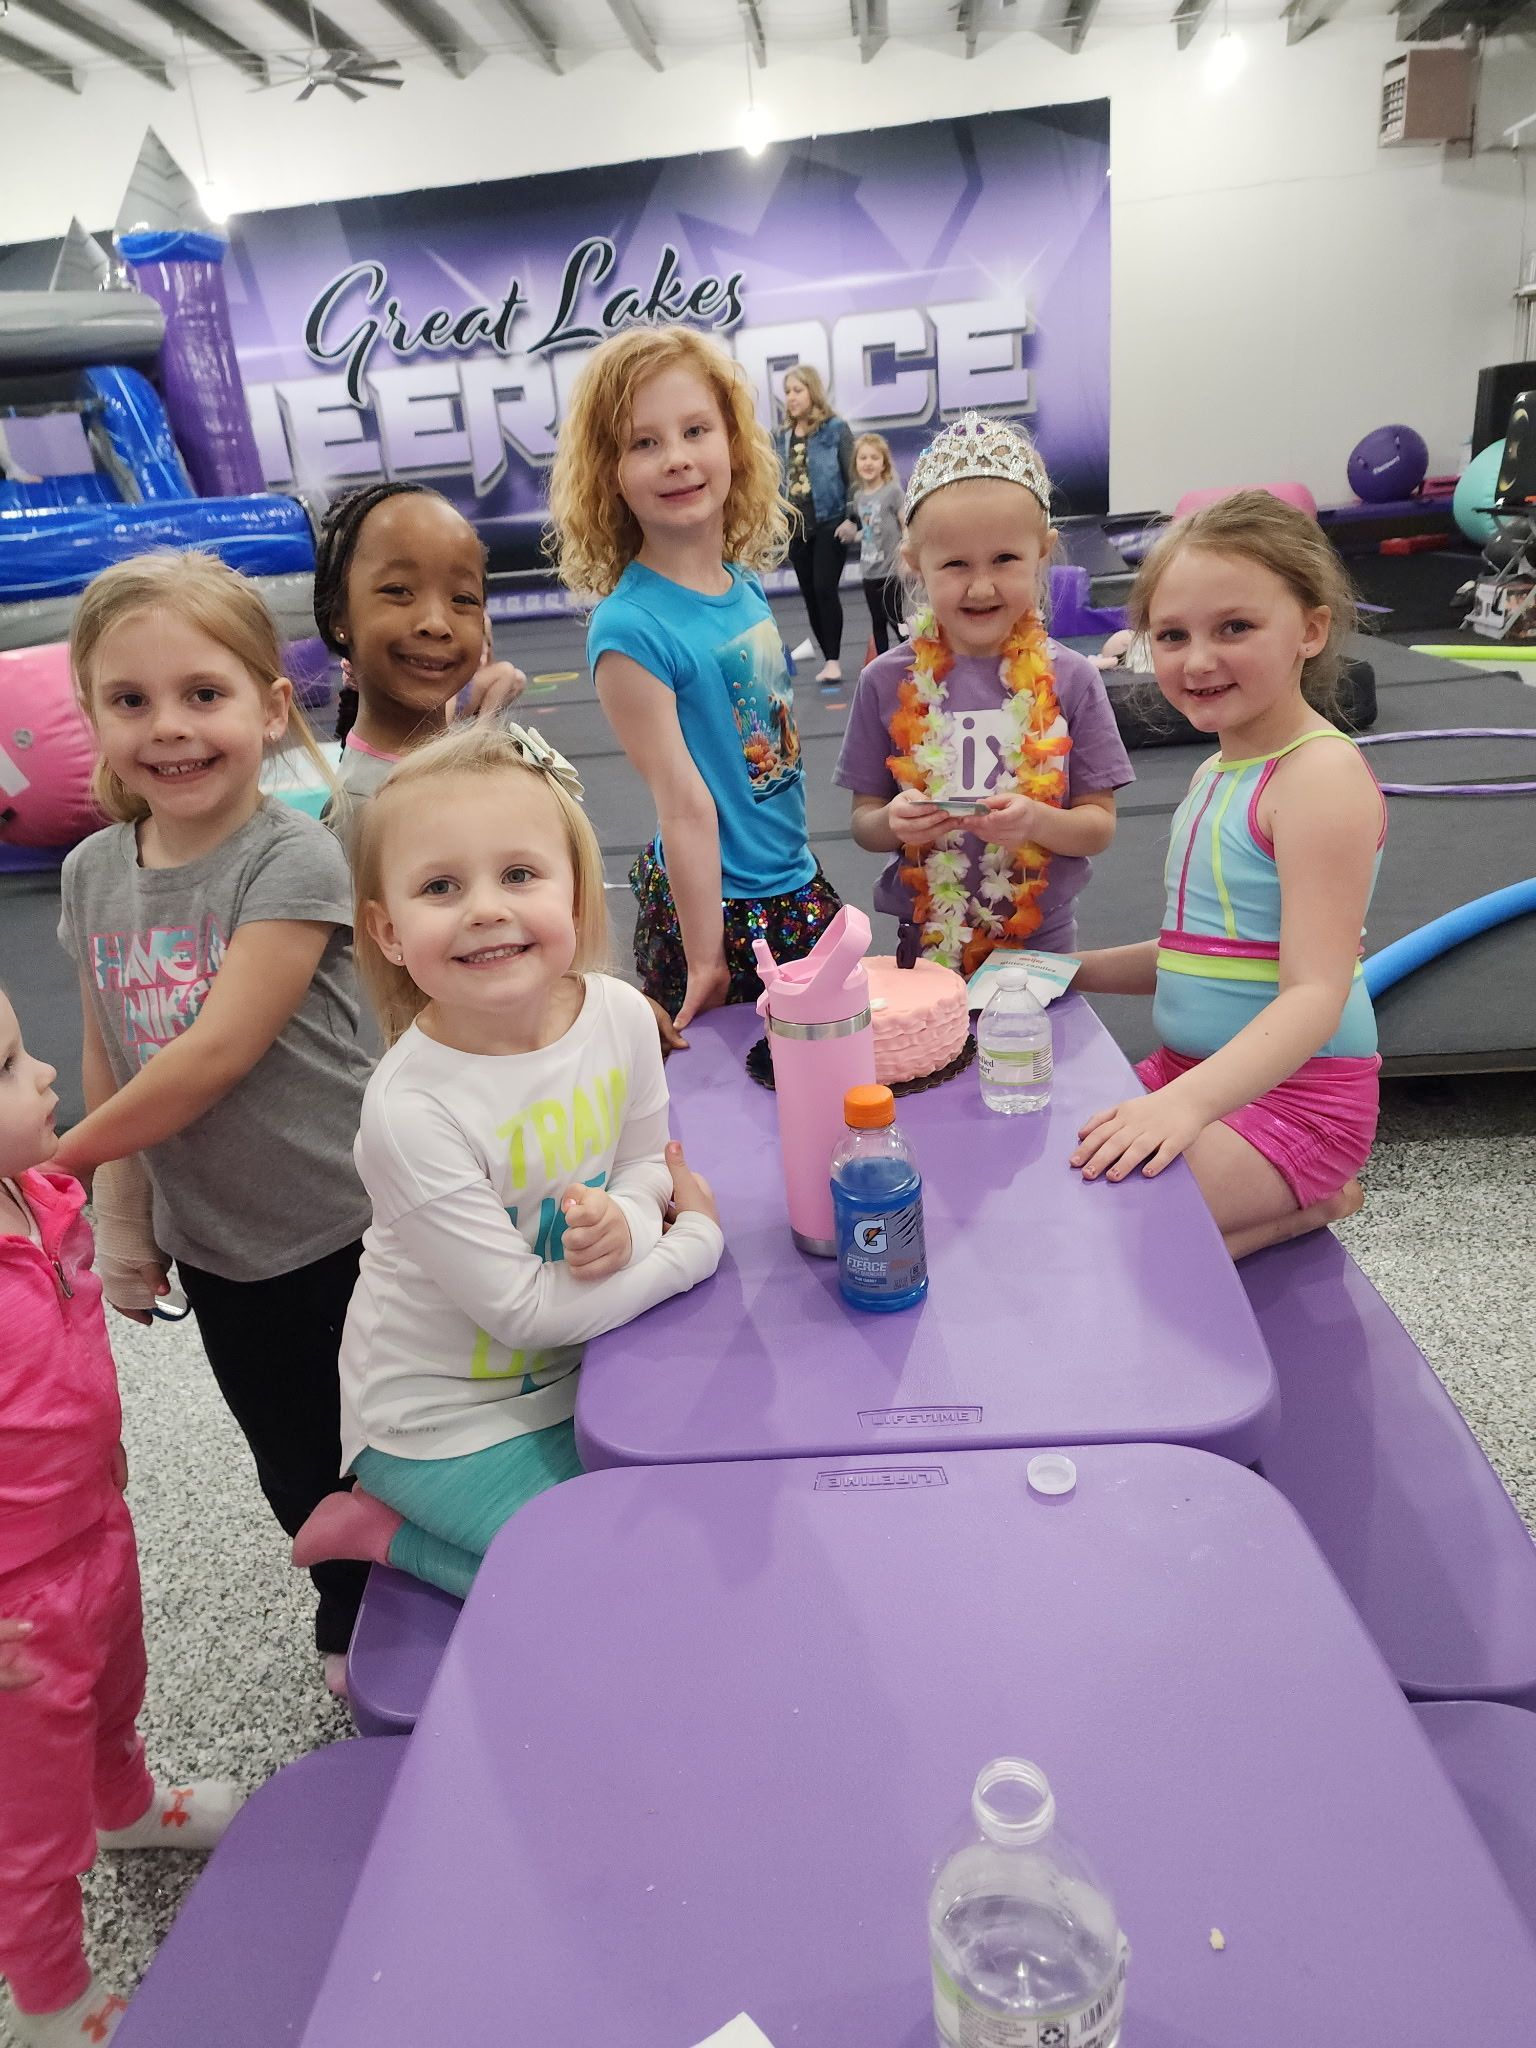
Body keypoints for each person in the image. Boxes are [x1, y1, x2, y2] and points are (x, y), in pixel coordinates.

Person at [290, 723, 723, 1600]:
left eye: (519, 875)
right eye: (441, 886)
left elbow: (644, 1163)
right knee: (604, 1582)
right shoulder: (411, 1109)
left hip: (583, 1366)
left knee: (696, 1519)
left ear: (574, 892)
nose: (485, 907)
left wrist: (628, 1221)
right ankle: (382, 1530)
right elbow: (525, 1310)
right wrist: (688, 1245)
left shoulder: (622, 1018)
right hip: (439, 1421)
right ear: (386, 930)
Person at [51, 551, 374, 1692]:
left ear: (270, 706)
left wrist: (47, 1162)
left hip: (347, 1218)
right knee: (288, 1455)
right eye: (130, 701)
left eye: (203, 694)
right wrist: (123, 1224)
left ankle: (442, 1588)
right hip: (223, 1244)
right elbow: (111, 1049)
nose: (169, 729)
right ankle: (350, 1605)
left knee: (390, 1437)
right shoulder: (94, 872)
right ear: (91, 713)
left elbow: (214, 1053)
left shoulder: (291, 853)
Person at [0, 988, 241, 2048]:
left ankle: (129, 1802)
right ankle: (51, 1997)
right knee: (28, 1821)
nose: (46, 1072)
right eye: (9, 1067)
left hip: (92, 1524)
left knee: (113, 1691)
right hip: (14, 1606)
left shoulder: (37, 1195)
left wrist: (100, 1454)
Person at [1069, 491, 1386, 1261]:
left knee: (1117, 1238)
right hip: (1197, 1075)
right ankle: (1252, 1212)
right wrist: (1067, 971)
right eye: (1172, 635)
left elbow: (1315, 991)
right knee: (1059, 1183)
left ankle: (1308, 1203)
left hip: (1299, 1103)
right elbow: (1199, 956)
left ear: (1310, 630)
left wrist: (1182, 1107)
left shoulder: (1319, 778)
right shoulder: (1217, 770)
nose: (1199, 659)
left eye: (1234, 628)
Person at [547, 325, 841, 1029]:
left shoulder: (742, 586)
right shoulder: (630, 628)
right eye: (644, 443)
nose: (676, 458)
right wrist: (707, 957)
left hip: (791, 879)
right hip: (723, 911)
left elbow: (765, 752)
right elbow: (683, 802)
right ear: (608, 471)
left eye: (695, 430)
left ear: (733, 443)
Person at [835, 411, 1133, 973]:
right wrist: (894, 821)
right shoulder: (885, 681)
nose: (981, 585)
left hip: (1039, 943)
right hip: (923, 944)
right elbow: (864, 821)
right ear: (914, 565)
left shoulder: (1072, 678)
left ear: (1043, 552)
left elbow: (1098, 824)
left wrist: (1037, 823)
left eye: (1005, 559)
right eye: (954, 564)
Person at [311, 480, 527, 850]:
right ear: (338, 615)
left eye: (462, 598)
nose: (436, 623)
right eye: (398, 591)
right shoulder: (365, 814)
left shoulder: (480, 772)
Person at [775, 364, 856, 683]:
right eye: (787, 392)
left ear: (813, 392)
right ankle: (827, 658)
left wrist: (852, 518)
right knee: (809, 593)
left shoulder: (835, 429)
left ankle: (834, 658)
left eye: (798, 390)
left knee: (825, 588)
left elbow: (852, 474)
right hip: (796, 527)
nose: (792, 398)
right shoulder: (780, 437)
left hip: (830, 521)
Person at [837, 432, 905, 656]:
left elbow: (904, 524)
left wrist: (907, 551)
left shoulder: (892, 492)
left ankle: (914, 656)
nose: (868, 463)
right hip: (869, 571)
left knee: (898, 619)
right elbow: (867, 531)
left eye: (874, 458)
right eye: (863, 458)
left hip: (891, 571)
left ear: (884, 463)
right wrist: (850, 534)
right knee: (878, 622)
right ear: (855, 463)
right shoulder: (858, 497)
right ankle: (883, 663)